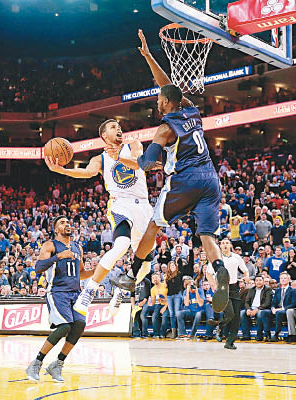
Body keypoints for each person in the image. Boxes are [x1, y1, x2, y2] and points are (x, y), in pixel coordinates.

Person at [109, 29, 229, 314]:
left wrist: (124, 159)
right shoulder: (191, 109)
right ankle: (220, 269)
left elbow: (146, 165)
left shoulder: (163, 129)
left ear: (164, 103)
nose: (157, 101)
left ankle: (130, 275)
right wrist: (149, 56)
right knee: (206, 236)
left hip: (185, 181)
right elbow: (169, 88)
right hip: (211, 180)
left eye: (159, 99)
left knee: (154, 225)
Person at [45, 118, 157, 317]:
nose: (119, 129)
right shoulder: (100, 159)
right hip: (121, 203)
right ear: (104, 136)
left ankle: (121, 292)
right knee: (122, 244)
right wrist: (62, 170)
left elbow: (140, 164)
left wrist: (119, 158)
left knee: (146, 265)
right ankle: (88, 292)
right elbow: (85, 172)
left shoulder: (133, 145)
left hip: (144, 206)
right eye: (114, 127)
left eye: (120, 127)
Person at [25, 216, 95, 382]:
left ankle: (58, 364)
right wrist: (58, 256)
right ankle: (36, 363)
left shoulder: (78, 248)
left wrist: (95, 271)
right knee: (64, 326)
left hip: (75, 293)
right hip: (57, 292)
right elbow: (38, 268)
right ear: (56, 229)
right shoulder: (50, 245)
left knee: (79, 325)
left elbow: (81, 274)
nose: (67, 224)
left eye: (68, 222)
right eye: (62, 223)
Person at [206, 238, 250, 350]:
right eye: (223, 243)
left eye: (227, 243)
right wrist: (215, 287)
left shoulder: (236, 257)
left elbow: (245, 270)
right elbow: (208, 274)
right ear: (219, 246)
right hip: (223, 288)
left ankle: (230, 342)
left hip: (235, 288)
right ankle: (220, 326)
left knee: (236, 318)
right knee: (230, 313)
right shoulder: (217, 259)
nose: (225, 245)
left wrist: (247, 277)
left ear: (230, 245)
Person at [240, 274, 273, 341]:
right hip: (252, 308)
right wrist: (248, 309)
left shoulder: (268, 289)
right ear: (254, 282)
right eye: (257, 280)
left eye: (260, 280)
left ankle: (259, 335)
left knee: (260, 313)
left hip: (263, 308)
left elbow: (267, 303)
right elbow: (247, 301)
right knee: (242, 313)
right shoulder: (251, 289)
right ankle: (246, 335)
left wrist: (257, 309)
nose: (258, 282)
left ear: (263, 281)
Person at [271, 272, 296, 341]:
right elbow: (274, 302)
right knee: (265, 313)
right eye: (281, 278)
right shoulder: (277, 290)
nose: (283, 280)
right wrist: (273, 308)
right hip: (277, 310)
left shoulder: (293, 291)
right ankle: (265, 334)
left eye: (285, 278)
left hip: (286, 309)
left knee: (279, 313)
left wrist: (281, 308)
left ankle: (276, 334)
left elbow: (293, 304)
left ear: (289, 280)